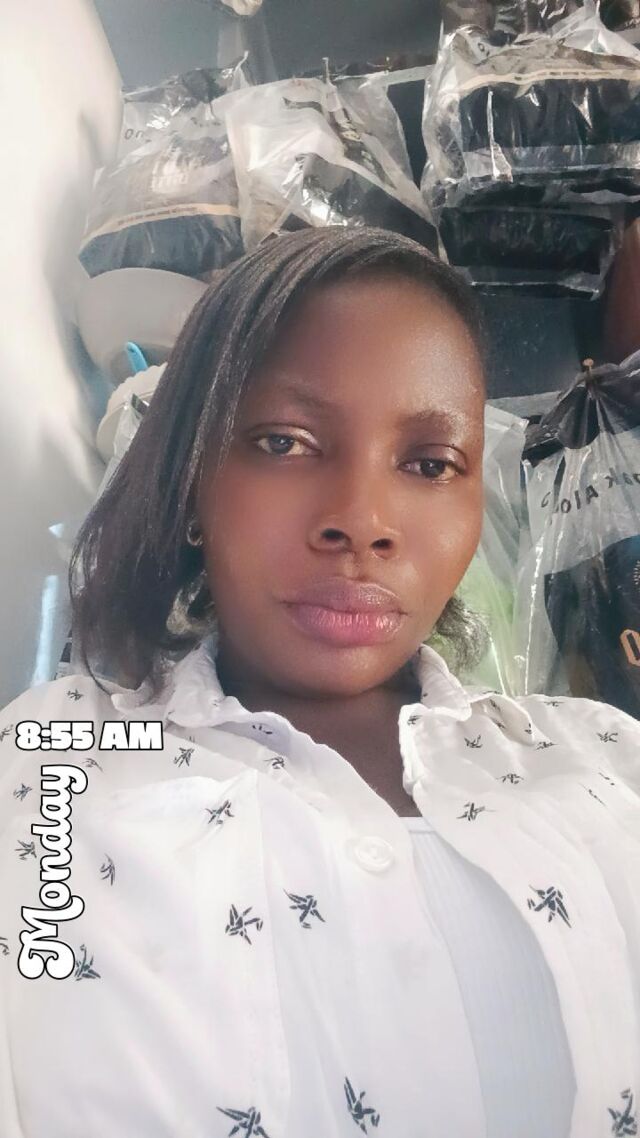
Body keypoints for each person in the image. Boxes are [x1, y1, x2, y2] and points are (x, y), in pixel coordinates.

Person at [0, 226, 638, 1138]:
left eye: (429, 464)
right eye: (285, 442)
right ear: (192, 481)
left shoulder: (604, 755)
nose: (362, 521)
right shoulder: (54, 750)